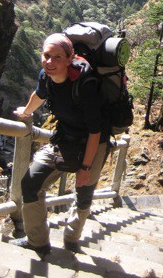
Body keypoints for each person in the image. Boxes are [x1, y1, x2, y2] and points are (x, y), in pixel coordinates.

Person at [10, 33, 110, 257]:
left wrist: (84, 168)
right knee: (31, 183)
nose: (50, 62)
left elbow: (96, 131)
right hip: (64, 139)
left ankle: (71, 239)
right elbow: (39, 94)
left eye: (57, 57)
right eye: (46, 56)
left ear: (69, 59)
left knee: (84, 193)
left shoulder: (85, 84)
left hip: (93, 143)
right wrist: (26, 112)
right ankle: (38, 242)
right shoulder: (46, 76)